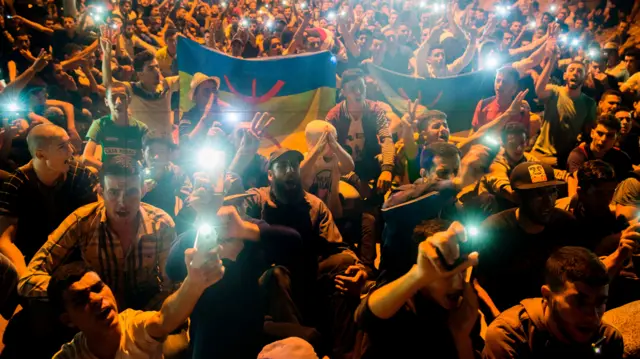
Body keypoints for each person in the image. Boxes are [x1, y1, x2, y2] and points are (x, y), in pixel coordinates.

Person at [242, 147, 363, 358]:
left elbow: (338, 248)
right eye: (283, 166)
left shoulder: (315, 205)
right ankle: (299, 349)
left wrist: (357, 269)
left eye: (294, 165)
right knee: (277, 275)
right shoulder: (258, 199)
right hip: (269, 282)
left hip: (308, 277)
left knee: (343, 263)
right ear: (270, 175)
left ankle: (345, 353)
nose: (290, 170)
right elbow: (234, 210)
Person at [18, 161, 177, 311]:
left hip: (145, 311)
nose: (122, 202)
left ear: (144, 190)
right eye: (114, 192)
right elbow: (29, 279)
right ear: (100, 191)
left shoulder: (161, 225)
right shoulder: (82, 221)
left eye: (131, 192)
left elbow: (170, 284)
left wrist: (142, 319)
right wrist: (78, 294)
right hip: (94, 309)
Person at [49, 246, 224, 358]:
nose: (96, 299)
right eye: (81, 299)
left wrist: (194, 282)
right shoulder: (70, 356)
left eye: (98, 288)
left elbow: (164, 319)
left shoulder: (133, 327)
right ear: (67, 320)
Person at [355, 220, 483, 359]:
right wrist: (417, 276)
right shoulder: (401, 305)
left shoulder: (464, 313)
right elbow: (365, 317)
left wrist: (461, 338)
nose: (458, 284)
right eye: (447, 274)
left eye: (463, 272)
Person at [483, 246, 625, 359]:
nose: (593, 316)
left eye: (600, 303)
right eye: (580, 302)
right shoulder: (509, 338)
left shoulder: (607, 339)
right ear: (548, 296)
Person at [0, 124, 97, 278]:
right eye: (62, 147)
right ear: (41, 155)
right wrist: (26, 276)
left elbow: (93, 224)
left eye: (69, 144)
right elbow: (4, 239)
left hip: (73, 256)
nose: (71, 151)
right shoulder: (18, 182)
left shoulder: (79, 175)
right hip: (31, 256)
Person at [380, 144, 491, 277]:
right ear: (424, 174)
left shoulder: (456, 207)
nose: (451, 177)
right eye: (443, 173)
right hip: (399, 288)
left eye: (456, 171)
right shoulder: (406, 196)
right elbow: (389, 209)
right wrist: (455, 184)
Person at [325, 68, 394, 198]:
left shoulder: (374, 110)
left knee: (393, 158)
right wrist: (354, 179)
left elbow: (386, 139)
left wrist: (387, 169)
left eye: (361, 87)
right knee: (351, 197)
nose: (358, 92)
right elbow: (329, 153)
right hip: (345, 168)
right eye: (352, 88)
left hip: (368, 161)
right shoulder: (334, 116)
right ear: (343, 92)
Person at [101, 29, 179, 140]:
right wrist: (106, 55)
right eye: (151, 68)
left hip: (165, 147)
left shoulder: (167, 85)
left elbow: (195, 79)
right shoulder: (131, 89)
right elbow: (108, 84)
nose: (157, 71)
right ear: (140, 74)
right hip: (142, 147)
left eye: (157, 66)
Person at [478, 123, 570, 212]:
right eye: (512, 144)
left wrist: (570, 179)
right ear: (504, 144)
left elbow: (552, 173)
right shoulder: (497, 162)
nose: (518, 148)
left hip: (518, 202)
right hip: (497, 205)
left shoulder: (528, 158)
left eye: (522, 143)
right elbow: (501, 184)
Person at [532, 50, 596, 168]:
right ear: (564, 75)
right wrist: (551, 61)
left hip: (565, 159)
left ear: (584, 77)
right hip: (541, 154)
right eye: (571, 70)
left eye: (579, 71)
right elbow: (539, 90)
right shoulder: (555, 91)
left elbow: (588, 132)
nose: (575, 73)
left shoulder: (589, 103)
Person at [555, 160, 624, 249]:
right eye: (599, 194)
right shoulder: (560, 217)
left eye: (611, 192)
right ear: (581, 192)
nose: (608, 199)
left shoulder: (608, 212)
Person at [82, 84, 149, 170]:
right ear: (106, 102)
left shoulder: (141, 128)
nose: (118, 102)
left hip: (133, 176)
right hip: (109, 176)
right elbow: (86, 158)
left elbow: (150, 157)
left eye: (122, 97)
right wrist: (109, 169)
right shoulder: (100, 124)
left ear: (129, 100)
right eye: (113, 98)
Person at [567, 114, 632, 181]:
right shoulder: (577, 155)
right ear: (592, 133)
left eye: (610, 135)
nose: (604, 139)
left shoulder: (622, 158)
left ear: (617, 138)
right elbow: (576, 182)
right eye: (600, 133)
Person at [141, 136, 191, 220]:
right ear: (143, 153)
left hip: (168, 227)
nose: (156, 157)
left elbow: (191, 201)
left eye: (161, 152)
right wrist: (139, 192)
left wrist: (179, 223)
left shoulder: (177, 174)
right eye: (151, 152)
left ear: (169, 154)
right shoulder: (135, 176)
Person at [471, 66, 531, 133]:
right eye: (498, 80)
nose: (500, 85)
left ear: (514, 88)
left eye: (505, 82)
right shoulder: (483, 105)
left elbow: (521, 139)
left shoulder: (521, 111)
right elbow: (474, 134)